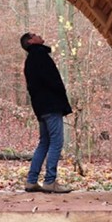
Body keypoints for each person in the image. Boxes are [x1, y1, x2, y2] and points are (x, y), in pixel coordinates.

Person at [20, 32, 73, 193]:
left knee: (44, 143)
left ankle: (31, 181)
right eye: (35, 35)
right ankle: (50, 181)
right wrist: (60, 94)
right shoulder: (41, 56)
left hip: (41, 108)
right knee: (56, 142)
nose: (40, 35)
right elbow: (52, 80)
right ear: (30, 41)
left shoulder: (29, 61)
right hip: (51, 105)